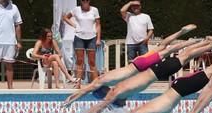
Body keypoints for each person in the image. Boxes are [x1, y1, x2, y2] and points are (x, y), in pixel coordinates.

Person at [63, 24, 200, 107]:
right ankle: (184, 35)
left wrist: (70, 100)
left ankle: (192, 41)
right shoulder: (105, 80)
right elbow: (85, 90)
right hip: (137, 63)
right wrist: (70, 98)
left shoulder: (102, 83)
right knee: (164, 46)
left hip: (138, 66)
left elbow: (85, 90)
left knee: (168, 49)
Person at [83, 38, 212, 113]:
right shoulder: (122, 87)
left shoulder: (118, 92)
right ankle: (208, 43)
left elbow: (101, 106)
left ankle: (209, 43)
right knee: (185, 55)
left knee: (186, 55)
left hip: (159, 71)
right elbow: (169, 45)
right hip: (157, 70)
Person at [63, 0, 101, 85]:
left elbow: (98, 24)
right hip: (79, 37)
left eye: (87, 0)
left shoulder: (94, 10)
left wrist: (98, 38)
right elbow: (65, 17)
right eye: (83, 0)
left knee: (92, 61)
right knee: (80, 60)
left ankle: (95, 84)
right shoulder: (76, 10)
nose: (85, 1)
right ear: (81, 1)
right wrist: (74, 25)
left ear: (89, 0)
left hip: (91, 37)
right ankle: (78, 83)